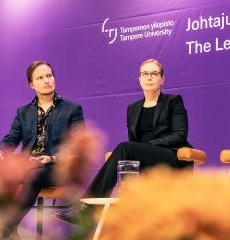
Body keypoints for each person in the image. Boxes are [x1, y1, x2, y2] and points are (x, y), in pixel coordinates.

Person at [0, 61, 85, 240]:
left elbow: (77, 146)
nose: (46, 81)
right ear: (31, 84)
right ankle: (12, 234)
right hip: (29, 163)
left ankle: (4, 230)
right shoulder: (23, 112)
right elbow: (11, 138)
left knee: (35, 175)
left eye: (49, 75)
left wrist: (52, 158)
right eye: (40, 78)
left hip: (56, 167)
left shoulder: (72, 109)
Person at [75, 58, 194, 202]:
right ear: (139, 79)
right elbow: (134, 141)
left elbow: (180, 135)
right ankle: (103, 205)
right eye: (145, 74)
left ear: (162, 79)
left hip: (170, 155)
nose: (149, 77)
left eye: (154, 73)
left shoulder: (173, 101)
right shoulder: (133, 108)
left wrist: (150, 144)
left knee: (125, 147)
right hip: (143, 157)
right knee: (126, 153)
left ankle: (88, 203)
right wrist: (141, 150)